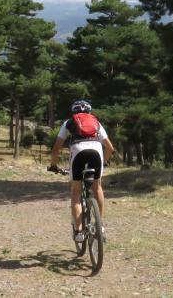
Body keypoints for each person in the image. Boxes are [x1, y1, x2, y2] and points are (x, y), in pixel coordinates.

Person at [49, 99, 115, 242]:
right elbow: (110, 148)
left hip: (78, 152)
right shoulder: (96, 122)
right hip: (97, 152)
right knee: (97, 187)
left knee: (76, 191)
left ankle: (79, 232)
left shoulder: (69, 122)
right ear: (89, 112)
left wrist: (53, 165)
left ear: (74, 112)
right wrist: (103, 162)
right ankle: (100, 226)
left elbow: (55, 149)